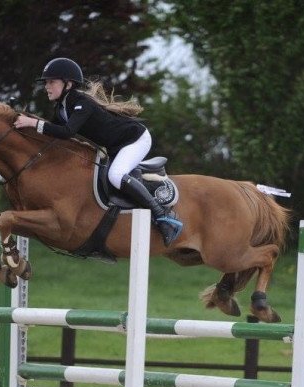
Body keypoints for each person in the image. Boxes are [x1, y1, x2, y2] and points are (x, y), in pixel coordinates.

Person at [14, 57, 183, 247]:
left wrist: (33, 123)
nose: (47, 86)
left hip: (135, 139)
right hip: (116, 146)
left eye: (51, 81)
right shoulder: (62, 108)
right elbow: (53, 134)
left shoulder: (80, 102)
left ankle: (164, 217)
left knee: (116, 175)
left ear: (68, 84)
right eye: (46, 82)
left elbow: (67, 132)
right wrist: (24, 128)